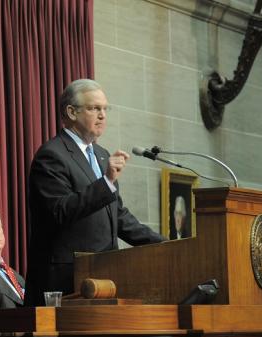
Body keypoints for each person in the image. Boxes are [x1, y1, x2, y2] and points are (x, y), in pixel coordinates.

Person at [25, 79, 165, 305]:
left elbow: (118, 217)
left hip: (104, 276)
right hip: (66, 282)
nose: (102, 115)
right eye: (94, 108)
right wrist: (107, 181)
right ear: (71, 112)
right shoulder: (51, 155)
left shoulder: (101, 154)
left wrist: (164, 245)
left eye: (104, 109)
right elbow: (59, 211)